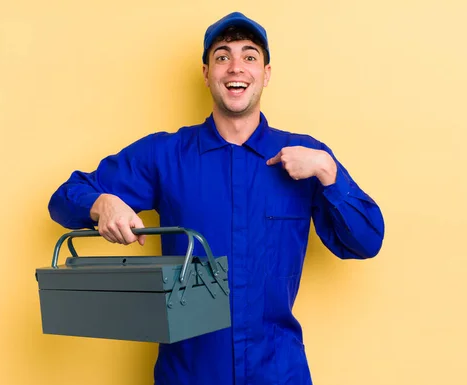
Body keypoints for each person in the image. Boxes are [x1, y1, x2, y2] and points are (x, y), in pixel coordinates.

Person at [48, 11, 385, 385]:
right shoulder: (166, 155)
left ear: (266, 73)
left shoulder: (305, 157)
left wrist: (328, 171)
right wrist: (101, 204)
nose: (236, 67)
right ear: (207, 73)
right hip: (188, 375)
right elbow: (64, 197)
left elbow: (366, 241)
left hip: (278, 373)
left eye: (249, 56)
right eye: (222, 56)